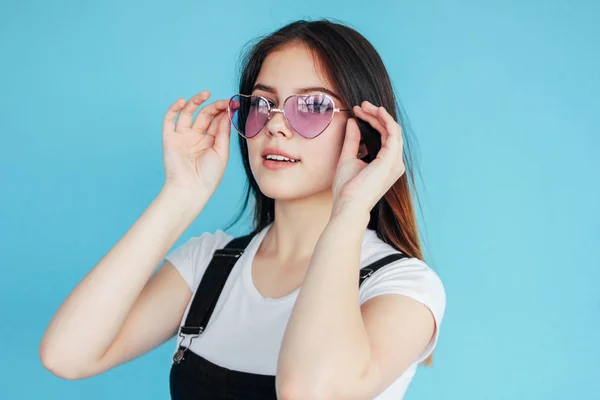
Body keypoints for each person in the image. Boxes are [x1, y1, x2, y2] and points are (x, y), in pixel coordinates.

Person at [39, 19, 446, 399]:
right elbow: (67, 355)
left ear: (363, 136)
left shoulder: (403, 288)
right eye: (263, 105)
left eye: (313, 107)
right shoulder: (211, 264)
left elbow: (310, 391)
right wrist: (181, 194)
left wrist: (351, 211)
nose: (275, 125)